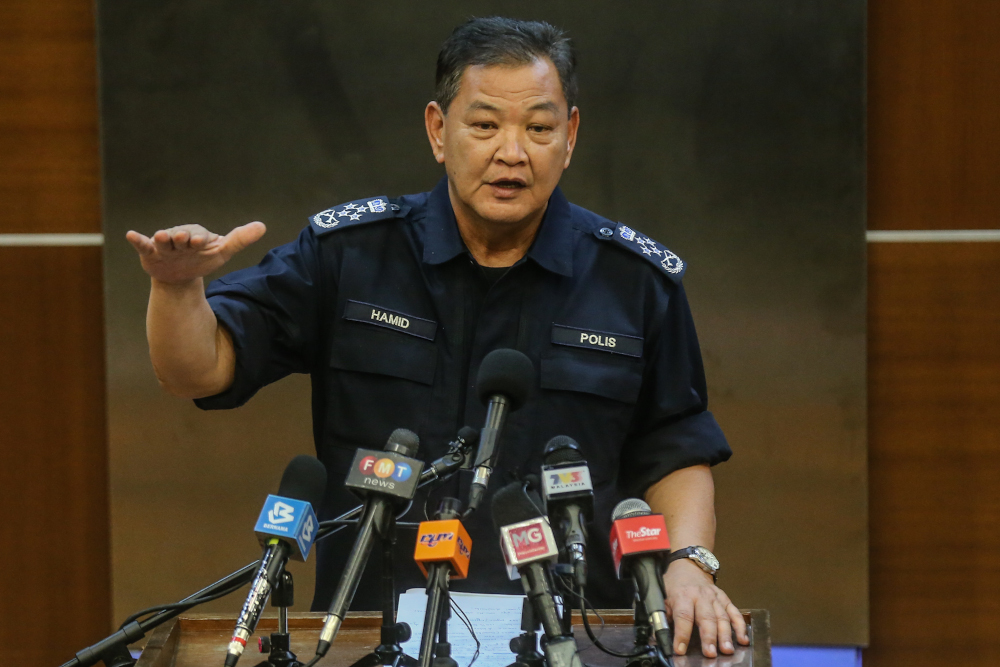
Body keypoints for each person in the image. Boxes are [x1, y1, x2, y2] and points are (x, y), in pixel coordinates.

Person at [126, 17, 750, 659]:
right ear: (437, 131)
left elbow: (675, 447)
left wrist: (690, 564)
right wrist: (177, 290)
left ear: (570, 137)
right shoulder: (350, 255)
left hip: (576, 635)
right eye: (485, 126)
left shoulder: (635, 281)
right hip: (374, 635)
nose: (513, 152)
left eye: (539, 128)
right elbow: (197, 371)